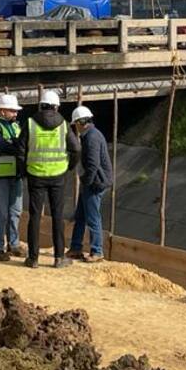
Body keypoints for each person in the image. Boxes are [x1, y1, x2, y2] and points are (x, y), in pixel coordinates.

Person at [20, 89, 80, 269]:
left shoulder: (30, 123)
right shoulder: (63, 124)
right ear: (56, 106)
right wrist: (69, 166)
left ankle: (33, 258)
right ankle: (59, 258)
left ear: (41, 105)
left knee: (35, 216)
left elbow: (20, 150)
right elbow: (76, 149)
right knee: (57, 216)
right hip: (58, 176)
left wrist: (25, 170)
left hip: (35, 175)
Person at [66, 105, 113, 263]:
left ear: (81, 122)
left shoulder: (92, 137)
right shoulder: (90, 135)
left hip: (95, 182)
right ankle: (75, 248)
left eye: (75, 124)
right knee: (80, 216)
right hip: (93, 181)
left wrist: (86, 181)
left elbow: (93, 164)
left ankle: (97, 251)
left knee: (93, 218)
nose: (75, 128)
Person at [0, 93, 27, 262]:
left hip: (15, 174)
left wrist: (15, 145)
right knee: (1, 213)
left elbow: (19, 144)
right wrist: (17, 146)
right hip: (0, 175)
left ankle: (14, 244)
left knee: (15, 211)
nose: (15, 114)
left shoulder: (16, 126)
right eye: (12, 110)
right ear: (2, 110)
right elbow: (1, 145)